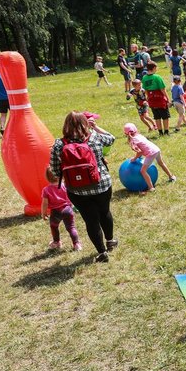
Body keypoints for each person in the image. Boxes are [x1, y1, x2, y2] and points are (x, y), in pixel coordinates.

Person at [50, 112, 117, 263]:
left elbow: (55, 170)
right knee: (104, 212)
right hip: (101, 185)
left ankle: (102, 252)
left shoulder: (59, 144)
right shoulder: (94, 137)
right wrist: (96, 127)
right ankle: (110, 241)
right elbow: (111, 138)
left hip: (76, 190)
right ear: (85, 123)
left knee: (90, 220)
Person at [124, 123, 176, 192]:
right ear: (135, 130)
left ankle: (151, 187)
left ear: (125, 133)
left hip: (151, 153)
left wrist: (134, 158)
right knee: (161, 163)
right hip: (156, 149)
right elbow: (143, 147)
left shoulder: (133, 140)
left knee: (143, 171)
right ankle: (171, 177)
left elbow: (140, 152)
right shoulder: (139, 135)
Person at [41, 168, 81, 251]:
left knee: (54, 226)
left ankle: (56, 242)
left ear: (47, 177)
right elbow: (72, 196)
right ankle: (76, 244)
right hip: (68, 209)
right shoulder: (65, 186)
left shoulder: (46, 190)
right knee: (71, 227)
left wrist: (43, 213)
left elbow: (45, 203)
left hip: (56, 212)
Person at [142, 61, 171, 135]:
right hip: (160, 99)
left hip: (151, 99)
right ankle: (166, 132)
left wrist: (148, 98)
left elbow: (145, 90)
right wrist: (168, 99)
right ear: (154, 68)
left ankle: (160, 132)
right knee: (165, 116)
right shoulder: (157, 77)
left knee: (157, 116)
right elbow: (162, 89)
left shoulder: (144, 78)